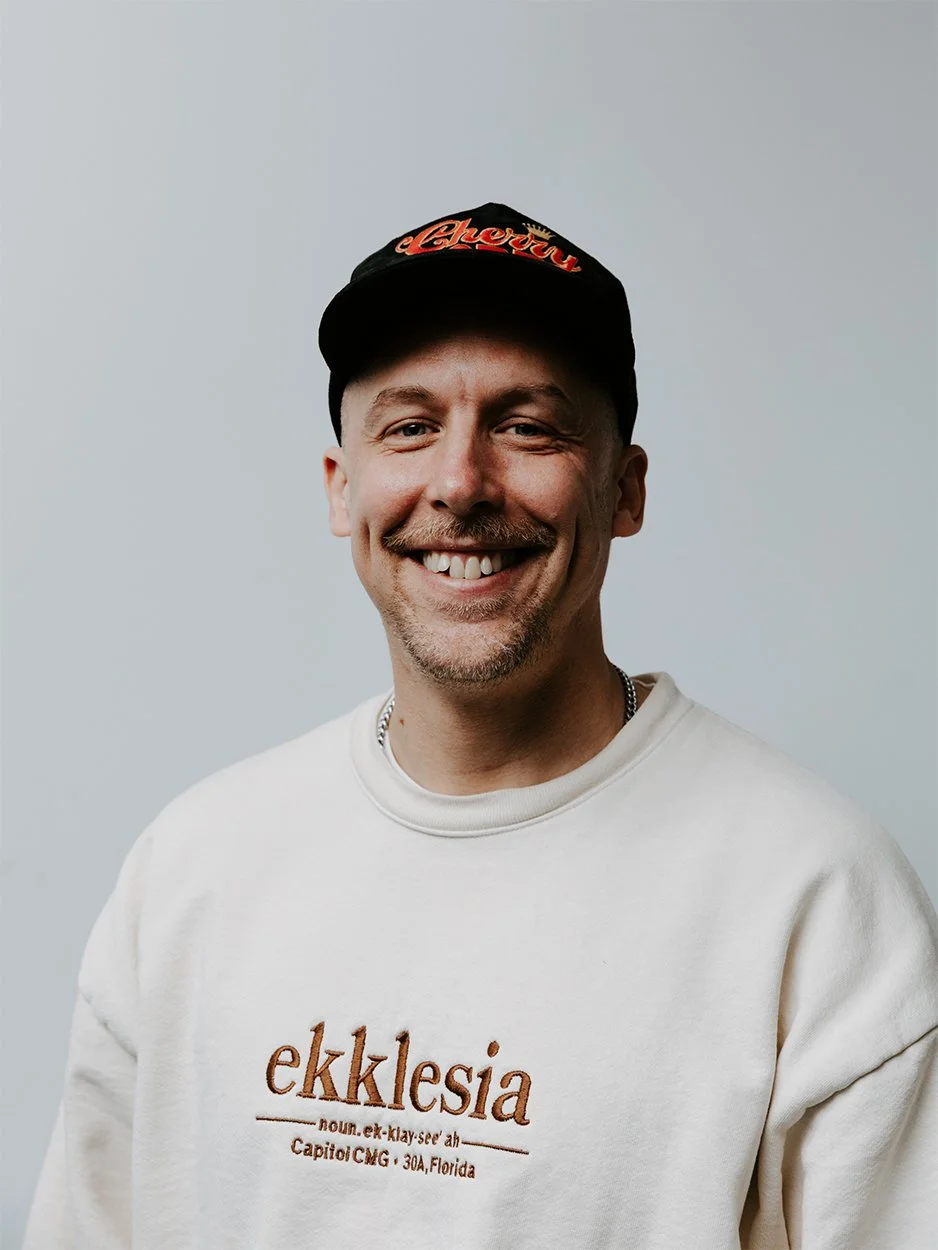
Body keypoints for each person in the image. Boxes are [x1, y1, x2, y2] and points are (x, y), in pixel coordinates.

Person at [24, 202, 938, 1249]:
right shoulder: (192, 869)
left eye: (526, 426)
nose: (458, 484)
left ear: (624, 487)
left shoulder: (815, 901)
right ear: (342, 488)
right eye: (409, 426)